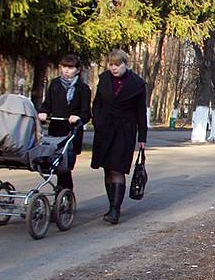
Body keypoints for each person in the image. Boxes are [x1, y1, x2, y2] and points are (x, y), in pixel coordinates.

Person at [91, 49, 147, 224]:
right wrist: (97, 121)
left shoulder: (137, 84)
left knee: (117, 168)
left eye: (117, 65)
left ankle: (115, 210)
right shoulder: (104, 79)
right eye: (111, 65)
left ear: (126, 65)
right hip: (105, 129)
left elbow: (141, 113)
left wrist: (142, 137)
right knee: (107, 168)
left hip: (125, 131)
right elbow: (97, 103)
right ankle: (111, 206)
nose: (114, 68)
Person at [38, 54, 91, 193]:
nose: (66, 70)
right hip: (56, 130)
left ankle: (64, 193)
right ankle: (63, 193)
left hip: (72, 132)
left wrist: (78, 117)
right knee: (56, 164)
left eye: (70, 67)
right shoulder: (54, 84)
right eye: (64, 67)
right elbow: (47, 104)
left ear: (77, 70)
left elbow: (86, 113)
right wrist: (43, 113)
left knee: (65, 165)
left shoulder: (83, 88)